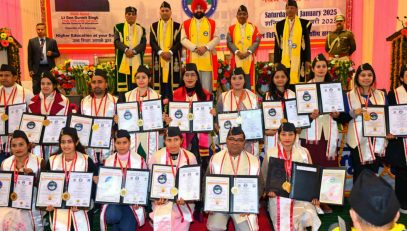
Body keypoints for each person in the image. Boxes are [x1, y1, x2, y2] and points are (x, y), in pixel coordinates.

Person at [262, 122, 321, 231]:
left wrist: (314, 196)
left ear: (295, 136)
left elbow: (312, 177)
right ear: (278, 136)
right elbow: (265, 176)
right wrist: (268, 190)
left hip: (300, 197)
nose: (287, 138)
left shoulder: (304, 152)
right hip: (278, 197)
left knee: (308, 216)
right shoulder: (271, 153)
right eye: (283, 134)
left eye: (290, 134)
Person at [206, 127, 261, 231]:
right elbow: (206, 182)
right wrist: (208, 203)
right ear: (226, 140)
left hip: (243, 205)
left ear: (244, 142)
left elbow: (260, 185)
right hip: (220, 203)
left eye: (239, 140)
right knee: (215, 227)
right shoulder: (215, 158)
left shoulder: (253, 161)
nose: (235, 143)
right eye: (231, 139)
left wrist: (251, 205)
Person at [340, 63, 387, 183]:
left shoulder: (381, 95)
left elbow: (387, 117)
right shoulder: (348, 96)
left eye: (370, 75)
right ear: (357, 77)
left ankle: (372, 201)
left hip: (376, 140)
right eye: (363, 75)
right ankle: (358, 201)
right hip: (357, 141)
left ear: (373, 77)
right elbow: (341, 118)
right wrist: (353, 113)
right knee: (359, 174)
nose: (366, 78)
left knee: (373, 175)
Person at [45, 127, 97, 231]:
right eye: (63, 142)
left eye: (69, 142)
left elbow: (92, 187)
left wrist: (82, 203)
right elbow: (46, 185)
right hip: (58, 206)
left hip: (81, 207)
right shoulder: (52, 161)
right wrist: (47, 202)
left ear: (76, 142)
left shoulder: (86, 160)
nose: (66, 145)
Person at [165, 63, 213, 171]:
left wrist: (213, 115)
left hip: (199, 136)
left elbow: (210, 119)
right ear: (183, 77)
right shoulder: (174, 94)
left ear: (197, 77)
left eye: (192, 75)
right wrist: (167, 119)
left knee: (200, 165)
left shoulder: (206, 95)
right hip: (181, 136)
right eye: (187, 75)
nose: (190, 78)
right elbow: (169, 115)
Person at [148, 127, 197, 231]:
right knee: (165, 217)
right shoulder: (157, 156)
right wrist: (155, 198)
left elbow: (194, 183)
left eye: (176, 139)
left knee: (180, 219)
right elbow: (150, 181)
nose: (173, 143)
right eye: (169, 140)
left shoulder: (190, 157)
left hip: (184, 202)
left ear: (181, 140)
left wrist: (188, 198)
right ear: (164, 141)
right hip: (163, 200)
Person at [100, 130, 146, 230]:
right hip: (114, 201)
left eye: (124, 142)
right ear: (114, 144)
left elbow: (144, 184)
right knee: (112, 216)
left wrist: (139, 200)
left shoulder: (139, 160)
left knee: (126, 227)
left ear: (130, 143)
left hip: (131, 203)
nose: (121, 146)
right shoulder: (109, 161)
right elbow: (104, 185)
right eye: (118, 143)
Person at [0, 130, 45, 230]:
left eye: (21, 144)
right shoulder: (5, 163)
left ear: (28, 145)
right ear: (10, 147)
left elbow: (45, 188)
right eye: (14, 145)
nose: (18, 148)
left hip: (32, 208)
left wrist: (33, 177)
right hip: (10, 208)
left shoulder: (39, 162)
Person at [217, 67, 260, 156]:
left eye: (240, 78)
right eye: (234, 78)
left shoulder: (253, 97)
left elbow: (258, 120)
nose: (237, 81)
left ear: (245, 80)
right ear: (230, 80)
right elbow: (217, 120)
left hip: (249, 141)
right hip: (231, 141)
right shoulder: (223, 97)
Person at [28, 71, 70, 160]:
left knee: (54, 165)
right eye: (43, 83)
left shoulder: (63, 100)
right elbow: (30, 123)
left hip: (55, 141)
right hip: (37, 143)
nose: (45, 86)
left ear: (54, 85)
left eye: (48, 83)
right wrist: (31, 138)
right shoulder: (33, 100)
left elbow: (66, 123)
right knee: (39, 164)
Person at [124, 65, 161, 164]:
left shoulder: (157, 97)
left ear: (149, 79)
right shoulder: (126, 96)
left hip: (150, 133)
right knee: (133, 160)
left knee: (151, 158)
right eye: (138, 77)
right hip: (132, 132)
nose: (141, 80)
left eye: (144, 77)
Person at [181, 0, 220, 92]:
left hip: (207, 62)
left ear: (205, 9)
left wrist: (206, 47)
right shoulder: (186, 24)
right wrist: (194, 48)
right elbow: (182, 39)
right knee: (192, 91)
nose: (199, 10)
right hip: (192, 63)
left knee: (206, 90)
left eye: (201, 8)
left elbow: (217, 38)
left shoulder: (212, 23)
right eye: (196, 8)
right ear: (193, 9)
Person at [81, 69, 117, 164]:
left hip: (108, 147)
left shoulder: (115, 101)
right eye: (94, 82)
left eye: (100, 82)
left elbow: (120, 125)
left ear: (106, 84)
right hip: (89, 148)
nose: (97, 85)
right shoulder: (84, 102)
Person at [0, 64, 33, 161]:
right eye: (1, 75)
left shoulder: (26, 93)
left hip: (18, 141)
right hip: (1, 140)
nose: (3, 78)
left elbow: (32, 117)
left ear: (15, 77)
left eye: (7, 75)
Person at [150, 1, 182, 100]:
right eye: (162, 10)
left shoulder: (178, 26)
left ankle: (172, 106)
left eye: (167, 10)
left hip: (173, 59)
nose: (164, 12)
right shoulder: (153, 26)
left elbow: (179, 42)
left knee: (171, 83)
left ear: (170, 12)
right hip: (158, 59)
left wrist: (170, 52)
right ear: (160, 12)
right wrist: (160, 52)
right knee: (160, 84)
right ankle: (160, 108)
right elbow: (152, 42)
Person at [386, 64, 407, 213]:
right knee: (402, 173)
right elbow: (387, 116)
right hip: (400, 140)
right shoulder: (393, 94)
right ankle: (402, 203)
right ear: (401, 77)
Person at [274, 0, 312, 84]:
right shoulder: (279, 25)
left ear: (296, 9)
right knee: (284, 80)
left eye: (292, 8)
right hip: (284, 59)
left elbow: (307, 43)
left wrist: (307, 60)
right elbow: (277, 44)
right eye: (287, 8)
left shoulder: (304, 24)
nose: (289, 10)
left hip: (299, 58)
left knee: (299, 81)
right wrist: (276, 61)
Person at [227, 5, 261, 90]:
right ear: (237, 16)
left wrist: (248, 52)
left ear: (247, 16)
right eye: (240, 14)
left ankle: (249, 101)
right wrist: (237, 52)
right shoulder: (231, 29)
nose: (242, 16)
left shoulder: (253, 28)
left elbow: (257, 41)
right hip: (236, 59)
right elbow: (229, 42)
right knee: (236, 81)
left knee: (248, 83)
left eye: (244, 14)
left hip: (249, 59)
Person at [114, 6, 147, 93]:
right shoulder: (118, 27)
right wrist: (126, 50)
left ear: (136, 16)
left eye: (133, 14)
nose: (131, 16)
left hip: (136, 61)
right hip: (123, 62)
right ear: (125, 15)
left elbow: (143, 44)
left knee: (135, 86)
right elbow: (117, 42)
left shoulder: (141, 29)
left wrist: (134, 51)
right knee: (124, 89)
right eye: (129, 14)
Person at [264, 64, 295, 150]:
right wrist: (265, 131)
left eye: (283, 76)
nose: (280, 79)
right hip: (272, 135)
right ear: (273, 79)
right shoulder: (266, 96)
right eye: (277, 77)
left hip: (289, 135)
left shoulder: (293, 95)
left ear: (287, 78)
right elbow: (262, 117)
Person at [28, 23, 60, 95]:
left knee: (51, 86)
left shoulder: (52, 41)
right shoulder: (32, 41)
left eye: (42, 29)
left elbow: (58, 54)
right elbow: (29, 57)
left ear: (45, 30)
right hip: (36, 68)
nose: (40, 31)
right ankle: (37, 103)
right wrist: (30, 69)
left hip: (49, 68)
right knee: (36, 87)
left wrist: (52, 54)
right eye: (38, 29)